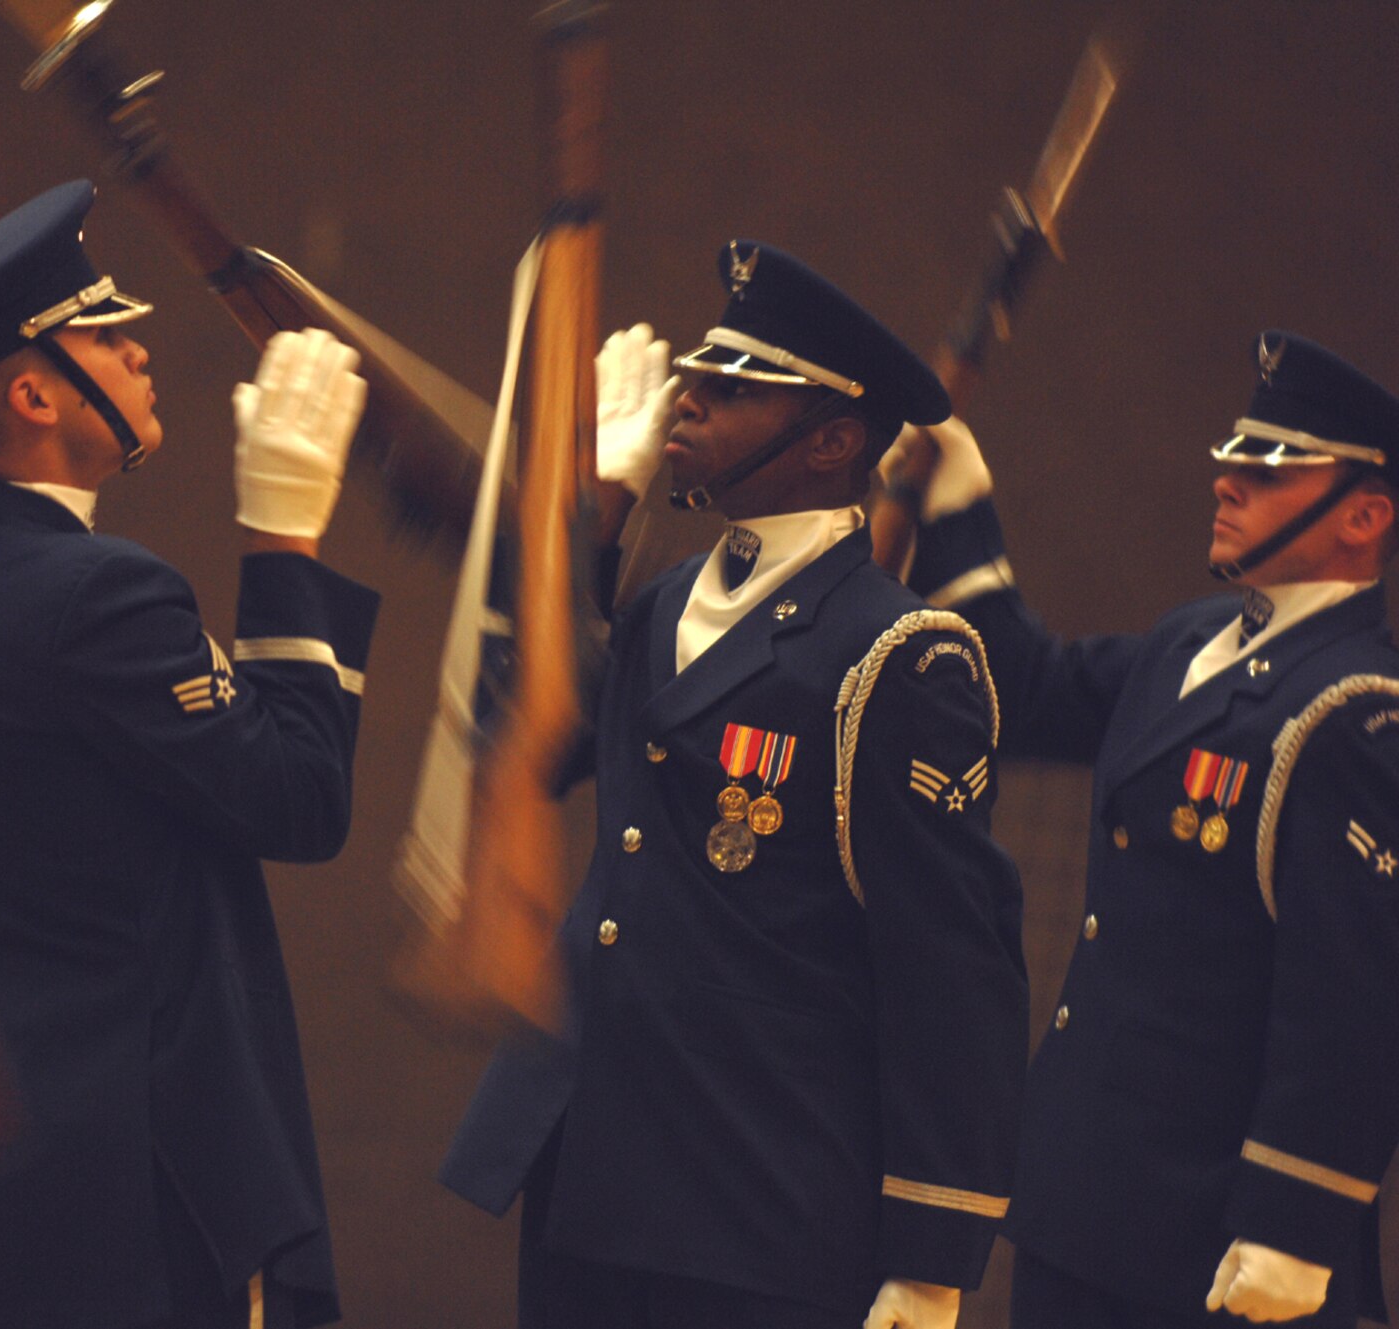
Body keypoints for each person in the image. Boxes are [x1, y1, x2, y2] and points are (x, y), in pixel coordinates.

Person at [441, 242, 1028, 1329]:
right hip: (593, 1165)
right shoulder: (662, 605)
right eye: (697, 375)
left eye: (736, 387)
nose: (688, 399)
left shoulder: (898, 655)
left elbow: (951, 970)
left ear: (832, 441)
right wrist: (597, 507)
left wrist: (932, 1251)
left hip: (759, 1198)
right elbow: (515, 731)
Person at [0, 180, 376, 1329]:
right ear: (35, 390)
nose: (139, 348)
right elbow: (299, 800)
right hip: (133, 1184)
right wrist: (283, 532)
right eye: (106, 336)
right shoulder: (97, 593)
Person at [900, 330, 1399, 1327]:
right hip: (1085, 1203)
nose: (1223, 480)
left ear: (1362, 514)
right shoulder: (1187, 644)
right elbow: (1028, 689)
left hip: (1217, 1239)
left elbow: (1351, 1002)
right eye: (1228, 455)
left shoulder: (1353, 716)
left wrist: (1295, 1226)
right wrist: (956, 500)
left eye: (1264, 466)